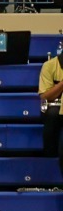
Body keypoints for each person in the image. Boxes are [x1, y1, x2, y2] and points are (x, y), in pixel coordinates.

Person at [40, 44, 63, 181]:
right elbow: (45, 96)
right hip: (56, 110)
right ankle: (50, 155)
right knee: (53, 114)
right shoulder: (49, 65)